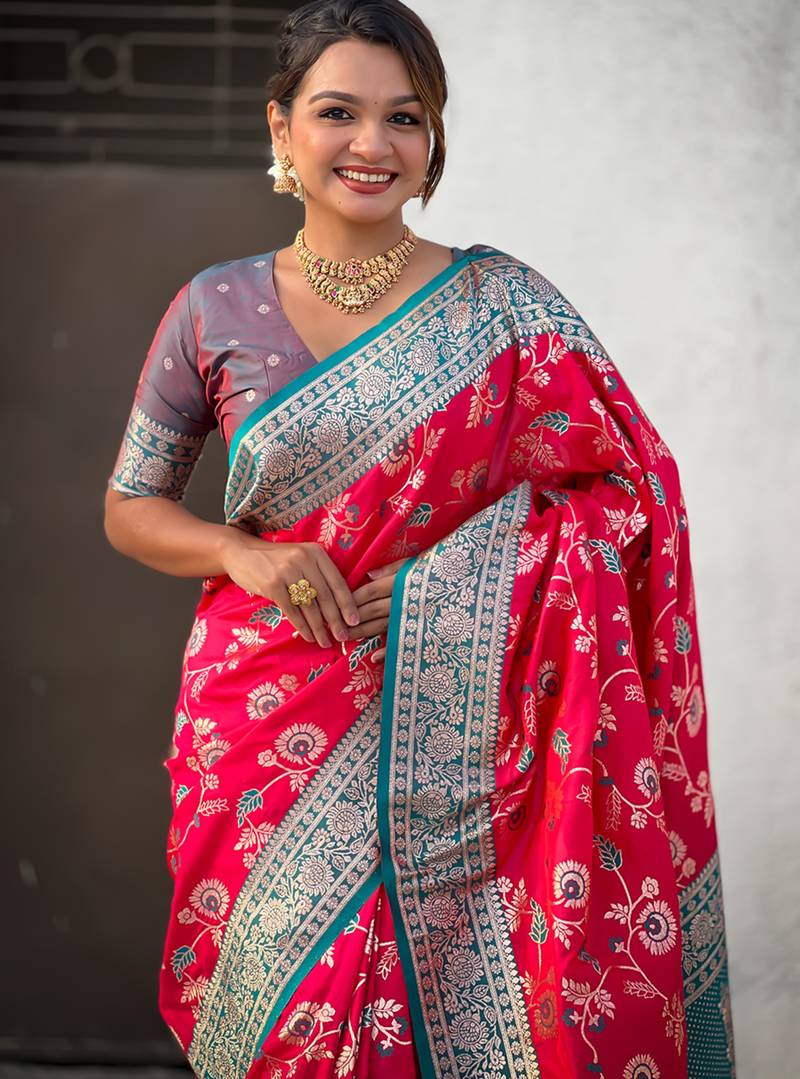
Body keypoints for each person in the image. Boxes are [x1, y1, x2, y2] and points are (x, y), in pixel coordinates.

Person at [104, 2, 736, 1076]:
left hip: (477, 731)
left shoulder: (505, 306)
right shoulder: (214, 308)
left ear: (431, 136)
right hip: (266, 720)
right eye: (337, 112)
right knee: (282, 1024)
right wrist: (242, 551)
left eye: (404, 117)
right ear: (280, 127)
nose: (372, 143)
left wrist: (456, 581)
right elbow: (132, 505)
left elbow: (635, 493)